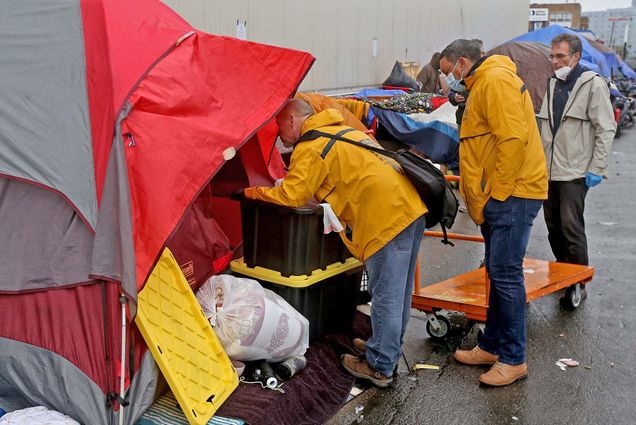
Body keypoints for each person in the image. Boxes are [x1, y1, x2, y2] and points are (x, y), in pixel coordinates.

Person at [244, 99, 427, 388]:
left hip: (386, 218)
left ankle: (379, 366)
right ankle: (385, 349)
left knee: (386, 296)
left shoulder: (310, 146)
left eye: (279, 126)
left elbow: (292, 196)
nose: (278, 134)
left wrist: (253, 193)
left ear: (292, 120)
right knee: (399, 292)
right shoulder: (342, 131)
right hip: (410, 209)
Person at [439, 39, 548, 386]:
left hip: (511, 195)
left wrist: (495, 194)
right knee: (498, 274)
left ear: (460, 62)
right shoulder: (483, 82)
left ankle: (513, 359)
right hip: (501, 196)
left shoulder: (494, 81)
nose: (448, 80)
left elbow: (512, 140)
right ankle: (492, 345)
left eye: (447, 72)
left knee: (505, 274)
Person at [537, 34, 616, 286]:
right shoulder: (553, 83)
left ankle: (578, 283)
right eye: (552, 56)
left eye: (560, 56)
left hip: (575, 171)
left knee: (571, 228)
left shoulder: (592, 84)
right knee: (553, 227)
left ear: (576, 57)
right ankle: (564, 273)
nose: (555, 61)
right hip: (549, 170)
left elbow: (606, 127)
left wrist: (597, 167)